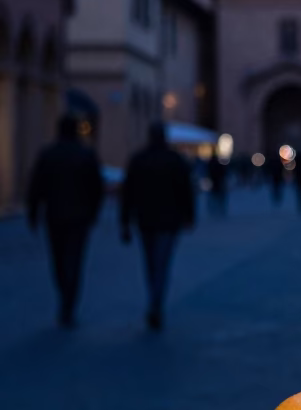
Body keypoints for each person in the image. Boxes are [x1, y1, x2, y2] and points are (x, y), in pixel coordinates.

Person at [27, 114, 104, 327]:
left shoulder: (49, 154)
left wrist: (33, 214)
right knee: (75, 260)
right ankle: (69, 302)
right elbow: (96, 188)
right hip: (80, 217)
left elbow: (36, 187)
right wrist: (94, 212)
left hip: (55, 215)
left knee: (58, 260)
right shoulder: (86, 155)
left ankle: (64, 296)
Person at [121, 122, 195, 330]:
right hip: (169, 222)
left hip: (145, 220)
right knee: (162, 263)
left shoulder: (138, 159)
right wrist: (189, 217)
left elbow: (128, 194)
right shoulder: (175, 160)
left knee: (150, 263)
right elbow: (186, 191)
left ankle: (154, 300)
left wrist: (124, 222)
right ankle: (156, 303)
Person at [207, 151, 228, 216]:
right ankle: (220, 209)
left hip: (214, 183)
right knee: (219, 197)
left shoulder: (210, 165)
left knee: (214, 197)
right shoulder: (219, 165)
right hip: (218, 182)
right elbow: (223, 173)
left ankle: (214, 210)